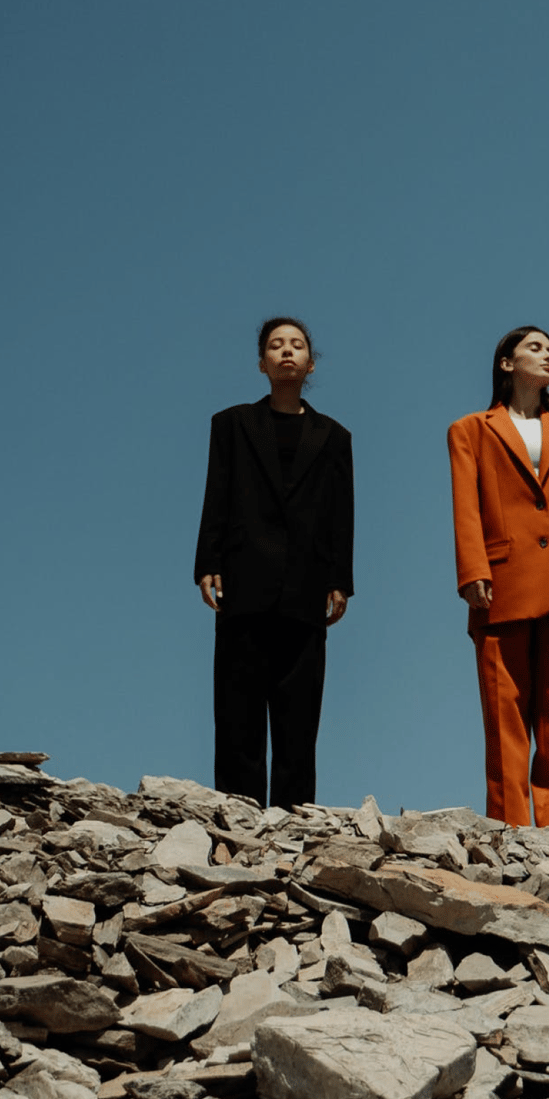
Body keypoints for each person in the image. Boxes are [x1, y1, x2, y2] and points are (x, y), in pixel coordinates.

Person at [448, 326, 549, 828]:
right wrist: (472, 569)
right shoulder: (471, 429)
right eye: (535, 348)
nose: (548, 356)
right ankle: (511, 827)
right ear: (505, 363)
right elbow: (466, 506)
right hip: (500, 583)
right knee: (505, 716)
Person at [194, 317, 354, 810]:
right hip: (244, 582)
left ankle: (293, 821)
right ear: (261, 362)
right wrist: (208, 562)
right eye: (276, 346)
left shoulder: (334, 436)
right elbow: (215, 495)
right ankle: (237, 819)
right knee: (237, 711)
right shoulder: (232, 424)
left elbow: (341, 512)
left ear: (310, 362)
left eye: (298, 345)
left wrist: (340, 579)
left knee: (299, 715)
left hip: (306, 588)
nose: (287, 352)